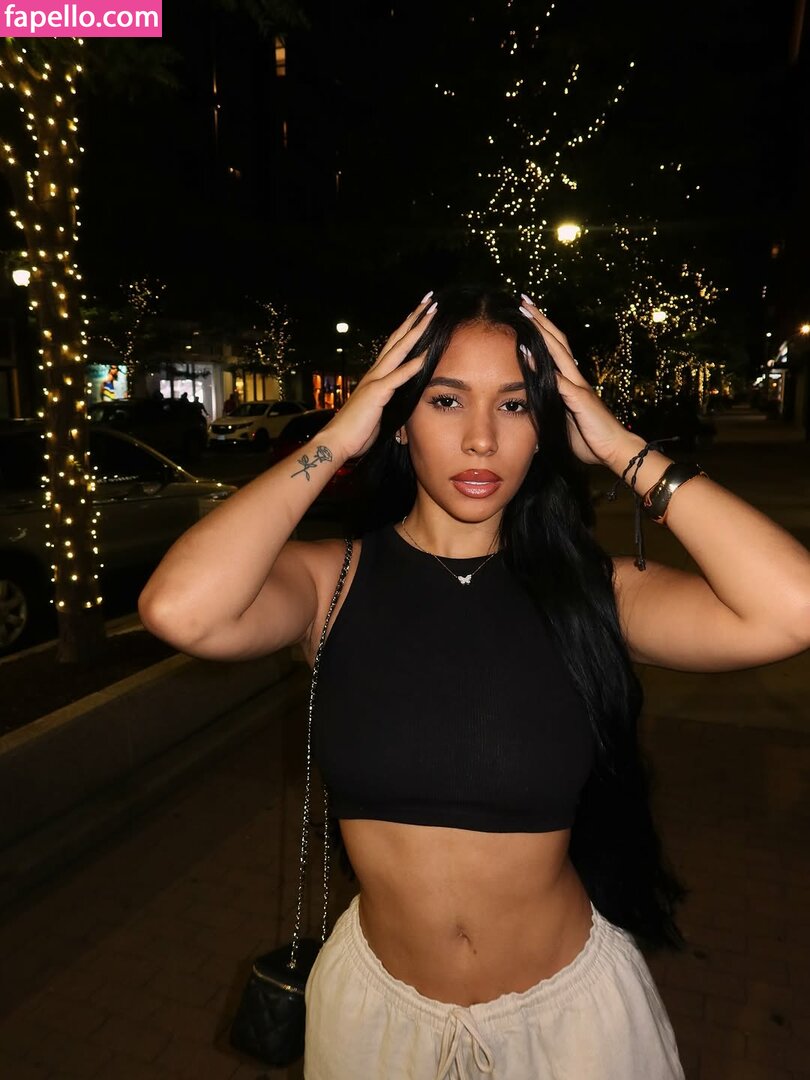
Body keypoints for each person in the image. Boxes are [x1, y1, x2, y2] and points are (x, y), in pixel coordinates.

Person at [138, 287, 810, 1079]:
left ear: (546, 427)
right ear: (399, 418)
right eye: (446, 400)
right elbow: (181, 609)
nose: (482, 439)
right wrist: (339, 437)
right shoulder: (332, 582)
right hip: (377, 1022)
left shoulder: (594, 592)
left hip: (568, 1026)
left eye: (516, 406)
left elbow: (793, 608)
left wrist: (623, 447)